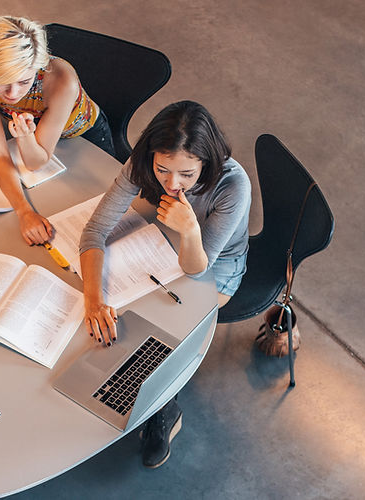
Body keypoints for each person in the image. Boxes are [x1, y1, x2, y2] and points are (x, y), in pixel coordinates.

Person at [79, 101, 251, 468]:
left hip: (215, 266)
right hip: (159, 244)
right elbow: (94, 231)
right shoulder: (141, 165)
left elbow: (197, 269)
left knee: (163, 327)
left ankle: (162, 406)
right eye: (163, 170)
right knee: (118, 311)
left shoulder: (232, 185)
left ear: (207, 162)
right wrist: (93, 299)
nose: (172, 184)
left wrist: (189, 229)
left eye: (187, 174)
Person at [0, 16, 115, 245]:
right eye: (3, 82)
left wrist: (25, 138)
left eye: (24, 82)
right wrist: (23, 211)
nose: (12, 94)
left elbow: (36, 162)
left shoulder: (62, 80)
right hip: (31, 133)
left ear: (38, 66)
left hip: (84, 136)